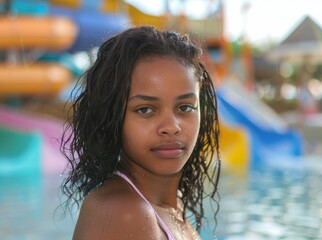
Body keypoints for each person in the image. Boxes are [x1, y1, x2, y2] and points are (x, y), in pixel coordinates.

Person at [60, 26, 221, 240]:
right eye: (145, 109)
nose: (172, 126)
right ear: (113, 116)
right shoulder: (124, 212)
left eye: (185, 107)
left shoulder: (169, 206)